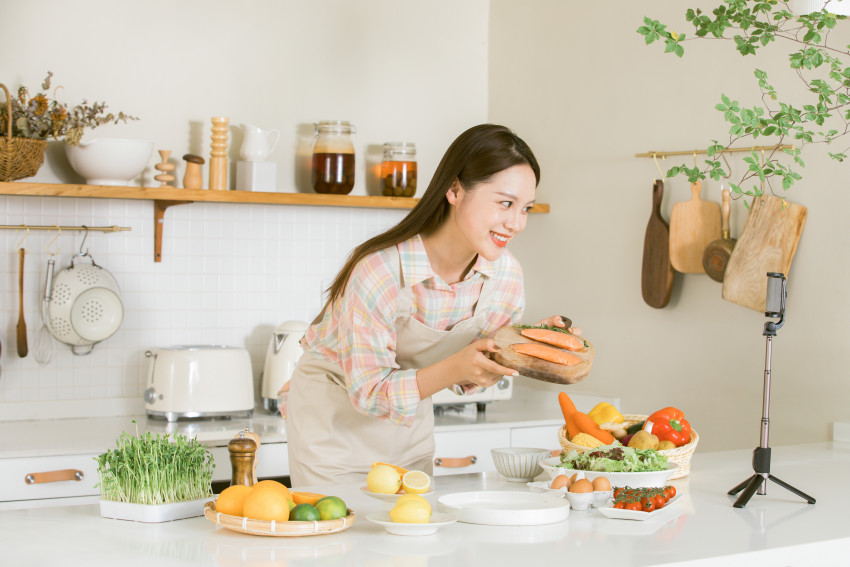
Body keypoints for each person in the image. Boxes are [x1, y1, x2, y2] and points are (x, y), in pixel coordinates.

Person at [286, 124, 573, 487]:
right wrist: (455, 367)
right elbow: (370, 391)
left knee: (408, 536)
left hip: (408, 430)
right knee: (335, 535)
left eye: (525, 208)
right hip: (332, 425)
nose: (516, 223)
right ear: (454, 190)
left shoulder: (505, 277)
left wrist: (528, 346)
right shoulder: (380, 271)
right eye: (505, 203)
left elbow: (475, 374)